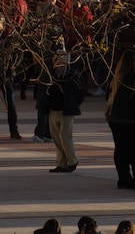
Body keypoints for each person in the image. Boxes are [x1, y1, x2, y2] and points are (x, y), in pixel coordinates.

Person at [106, 52, 135, 190]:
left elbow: (108, 99)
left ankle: (126, 177)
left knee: (121, 150)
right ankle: (133, 177)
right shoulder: (133, 79)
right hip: (130, 121)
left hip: (117, 120)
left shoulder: (117, 79)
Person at [47, 46, 84, 174]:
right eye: (57, 59)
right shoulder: (50, 75)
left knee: (65, 136)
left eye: (62, 60)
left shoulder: (72, 76)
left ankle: (72, 160)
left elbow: (80, 93)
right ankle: (61, 163)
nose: (58, 63)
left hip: (66, 110)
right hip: (53, 109)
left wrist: (73, 104)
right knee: (56, 137)